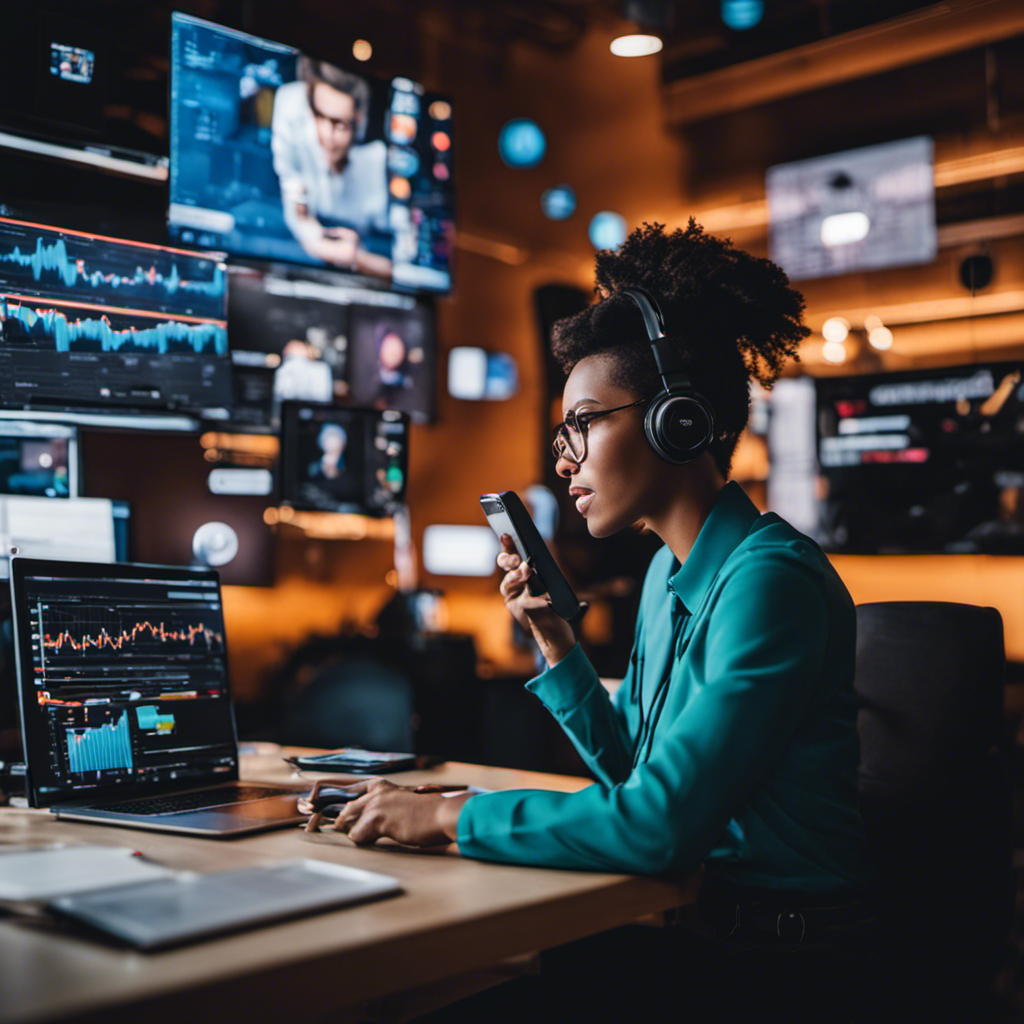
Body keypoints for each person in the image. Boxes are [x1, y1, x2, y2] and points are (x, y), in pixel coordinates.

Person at [300, 222, 874, 1020]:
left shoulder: (768, 581)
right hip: (703, 935)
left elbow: (657, 827)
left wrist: (444, 815)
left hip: (778, 967)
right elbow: (636, 782)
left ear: (679, 418)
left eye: (583, 423)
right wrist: (556, 642)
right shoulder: (666, 573)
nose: (564, 458)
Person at [271, 57, 392, 279]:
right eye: (320, 116)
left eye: (341, 124)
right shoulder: (291, 107)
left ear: (360, 122)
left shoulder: (379, 160)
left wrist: (357, 258)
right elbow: (298, 211)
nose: (327, 136)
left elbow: (408, 268)